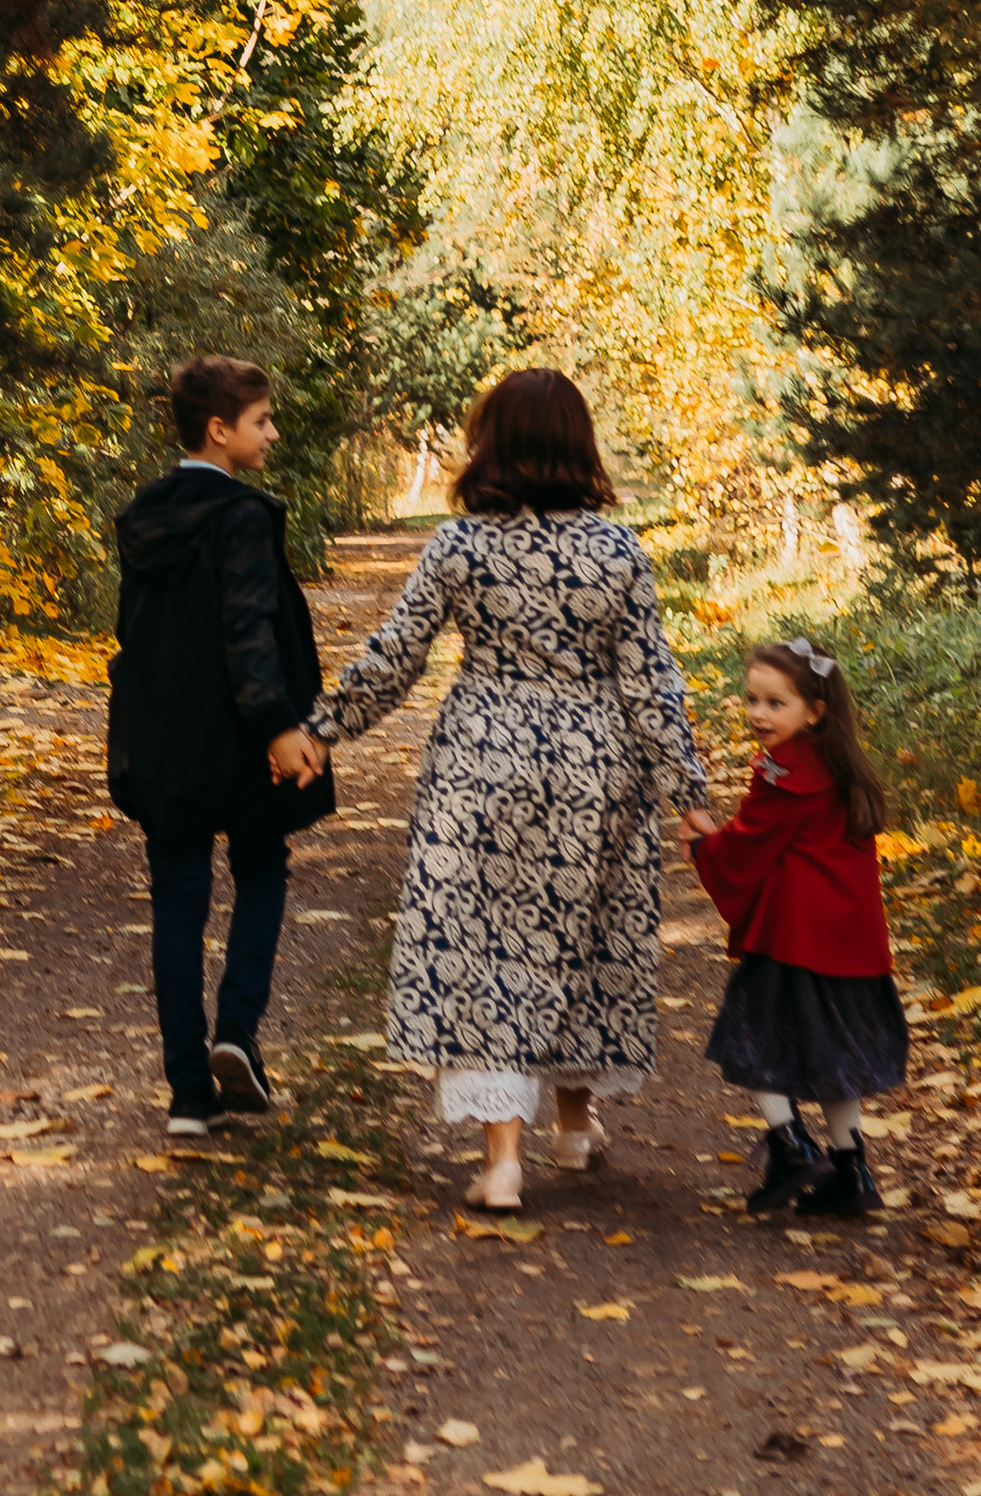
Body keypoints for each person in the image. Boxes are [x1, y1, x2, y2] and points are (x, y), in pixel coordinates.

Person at [295, 367, 713, 1211]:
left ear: (492, 445)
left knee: (487, 950)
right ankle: (573, 1121)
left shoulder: (460, 546)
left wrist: (323, 729)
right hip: (596, 762)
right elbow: (650, 683)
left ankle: (503, 1161)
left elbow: (397, 654)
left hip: (481, 757)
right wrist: (688, 792)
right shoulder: (618, 551)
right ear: (578, 445)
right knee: (584, 937)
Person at [106, 354, 336, 1147]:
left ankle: (187, 1094)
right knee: (263, 870)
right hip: (240, 742)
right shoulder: (237, 515)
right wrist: (280, 724)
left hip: (166, 742)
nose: (271, 433)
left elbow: (134, 636)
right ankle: (235, 1031)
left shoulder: (147, 516)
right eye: (262, 421)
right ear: (219, 430)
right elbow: (249, 632)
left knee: (177, 902)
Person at [690, 632, 906, 1221]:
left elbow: (746, 847)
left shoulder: (786, 776)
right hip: (850, 945)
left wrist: (704, 843)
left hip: (794, 940)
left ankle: (790, 1147)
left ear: (815, 711)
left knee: (753, 1037)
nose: (759, 714)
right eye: (752, 700)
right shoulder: (840, 765)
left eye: (775, 703)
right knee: (833, 1057)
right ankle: (850, 1166)